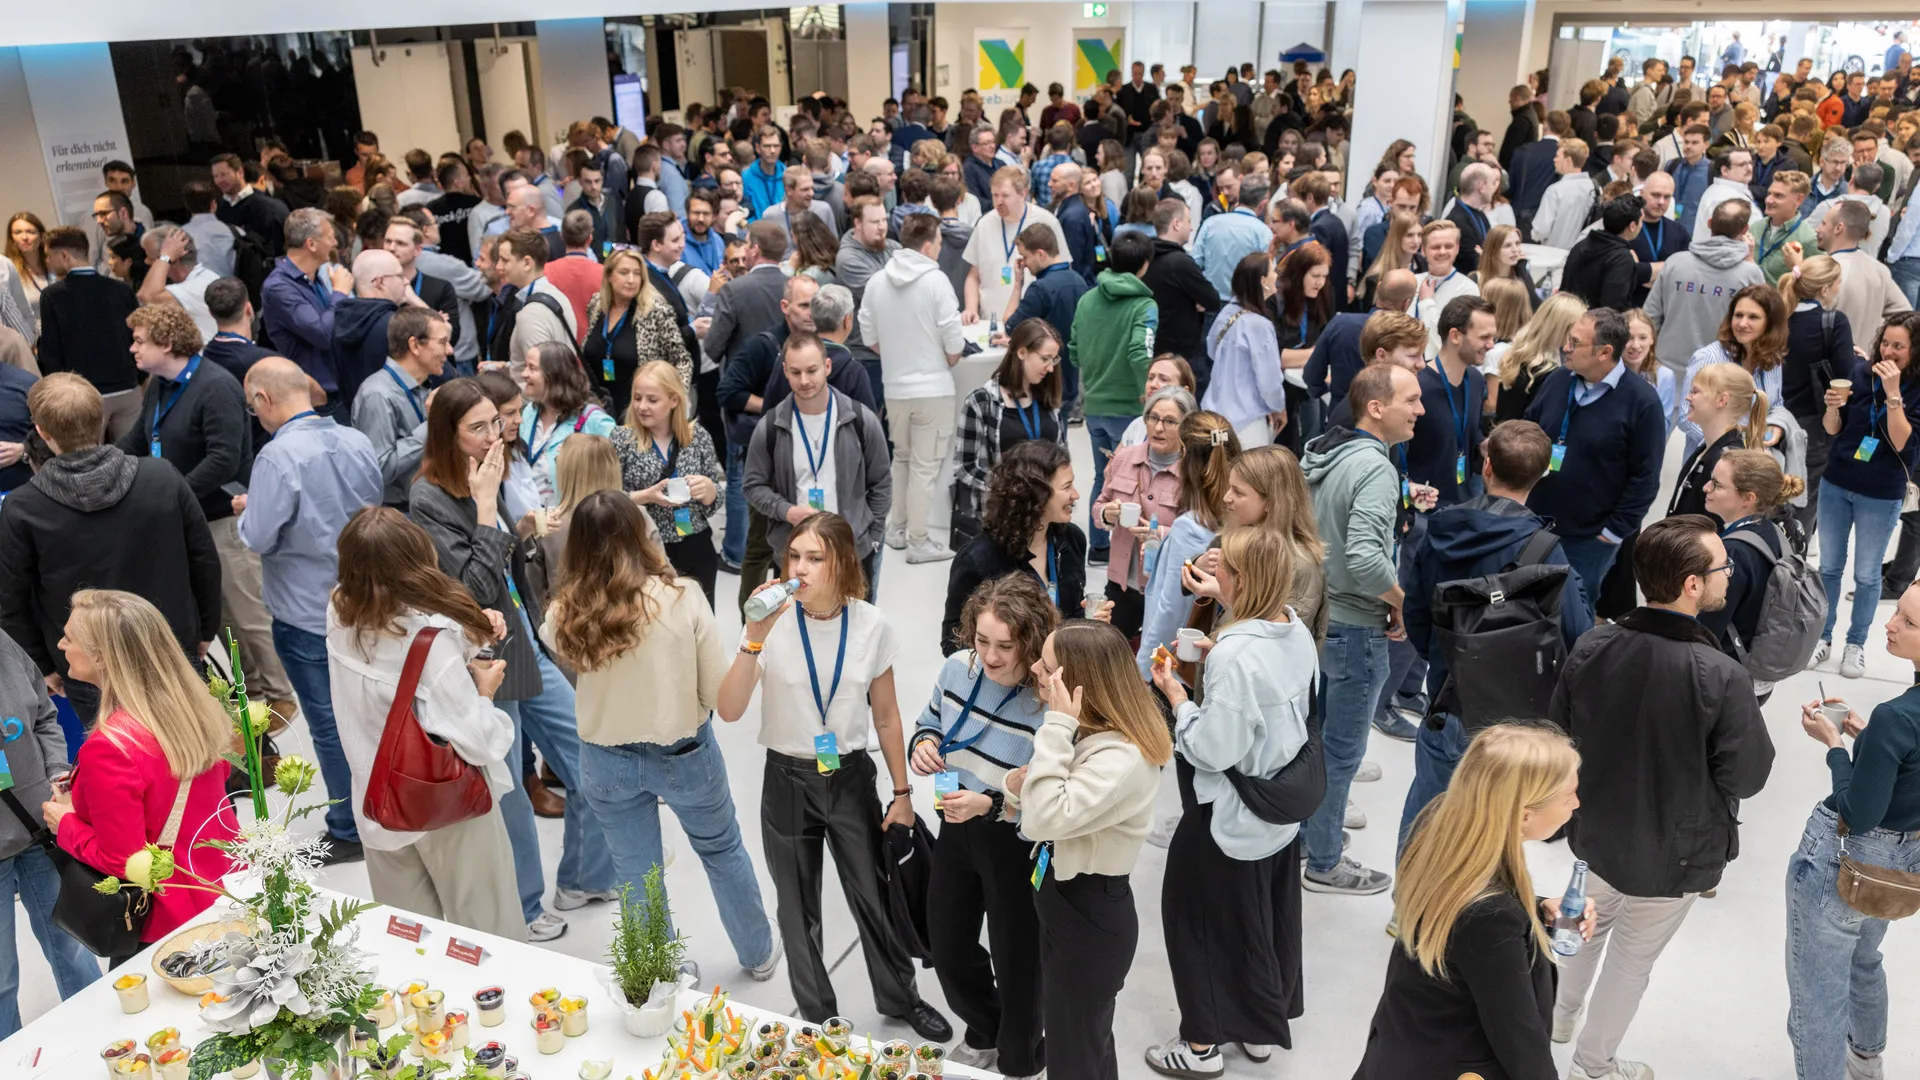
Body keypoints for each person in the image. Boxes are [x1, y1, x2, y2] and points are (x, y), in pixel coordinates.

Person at [1549, 514, 1775, 1080]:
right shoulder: (1723, 676)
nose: (1729, 574)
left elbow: (1556, 737)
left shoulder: (1593, 645)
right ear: (1691, 585)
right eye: (1721, 566)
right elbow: (1747, 777)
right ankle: (1593, 1065)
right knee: (1632, 958)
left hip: (1596, 828)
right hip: (1678, 849)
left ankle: (1557, 1017)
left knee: (1585, 927)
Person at [716, 513, 951, 1038]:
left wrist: (903, 794)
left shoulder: (871, 625)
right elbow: (728, 710)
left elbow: (887, 717)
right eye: (794, 556)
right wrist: (753, 638)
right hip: (786, 779)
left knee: (873, 893)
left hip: (848, 778)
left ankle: (900, 998)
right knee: (797, 911)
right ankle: (820, 1017)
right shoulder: (769, 623)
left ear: (842, 562)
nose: (799, 568)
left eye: (814, 558)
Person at [544, 491, 780, 982]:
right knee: (721, 850)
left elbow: (568, 658)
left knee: (637, 875)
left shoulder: (564, 611)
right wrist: (754, 641)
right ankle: (757, 954)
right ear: (639, 533)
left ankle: (658, 973)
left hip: (605, 760)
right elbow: (724, 701)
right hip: (684, 754)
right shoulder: (681, 598)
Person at [410, 378, 615, 942]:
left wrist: (517, 527)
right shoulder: (428, 497)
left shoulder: (490, 472)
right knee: (509, 785)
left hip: (523, 635)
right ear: (447, 435)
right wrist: (483, 507)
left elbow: (502, 568)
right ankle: (523, 907)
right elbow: (468, 588)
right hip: (483, 654)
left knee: (592, 752)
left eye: (496, 423)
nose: (493, 435)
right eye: (477, 427)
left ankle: (585, 876)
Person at [326, 508, 523, 940]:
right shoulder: (431, 647)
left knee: (410, 944)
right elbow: (483, 741)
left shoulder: (340, 612)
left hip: (378, 805)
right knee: (489, 936)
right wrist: (485, 690)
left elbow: (398, 664)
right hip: (447, 810)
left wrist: (464, 636)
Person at [1354, 724, 1588, 1080]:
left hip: (1405, 1042)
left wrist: (1537, 910)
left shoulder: (1442, 824)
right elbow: (1520, 1041)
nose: (1576, 803)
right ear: (1525, 815)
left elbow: (1463, 912)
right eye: (1568, 794)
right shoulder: (1491, 920)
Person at [0, 374, 220, 726]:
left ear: (41, 432)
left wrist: (42, 665)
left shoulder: (23, 507)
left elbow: (11, 599)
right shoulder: (161, 477)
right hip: (170, 645)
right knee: (191, 753)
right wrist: (206, 629)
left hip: (91, 666)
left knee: (123, 765)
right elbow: (204, 560)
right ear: (101, 418)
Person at [1007, 619, 1170, 1080]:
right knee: (1085, 1043)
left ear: (1079, 683)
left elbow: (1043, 818)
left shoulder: (1122, 759)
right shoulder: (1093, 732)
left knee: (1073, 1056)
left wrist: (1056, 727)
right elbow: (1043, 801)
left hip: (1089, 918)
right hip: (1067, 904)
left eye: (1048, 664)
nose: (1035, 666)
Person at [41, 590, 239, 965]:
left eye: (69, 636)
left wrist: (65, 823)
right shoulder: (194, 710)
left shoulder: (111, 746)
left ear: (101, 655)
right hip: (228, 886)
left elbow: (123, 862)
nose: (61, 644)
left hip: (168, 923)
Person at [237, 356, 382, 862]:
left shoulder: (277, 459)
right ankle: (382, 808)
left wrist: (248, 510)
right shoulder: (357, 440)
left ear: (264, 400)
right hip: (365, 604)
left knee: (328, 725)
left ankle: (348, 828)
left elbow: (258, 535)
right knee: (370, 717)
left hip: (306, 614)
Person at [912, 573, 1055, 1078]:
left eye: (1005, 646)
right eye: (981, 641)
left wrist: (991, 803)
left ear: (1032, 641)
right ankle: (986, 1029)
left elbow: (1050, 794)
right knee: (947, 945)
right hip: (956, 823)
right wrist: (923, 744)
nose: (990, 657)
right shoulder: (957, 670)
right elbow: (929, 720)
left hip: (1014, 838)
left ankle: (1021, 1057)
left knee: (1019, 959)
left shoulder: (1046, 701)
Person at [1787, 584, 1920, 1080]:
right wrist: (1869, 740)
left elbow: (1859, 812)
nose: (1889, 624)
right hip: (1902, 867)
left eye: (1907, 622)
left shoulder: (1898, 716)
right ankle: (1866, 1061)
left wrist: (1834, 746)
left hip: (1846, 865)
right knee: (1865, 960)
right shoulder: (1896, 722)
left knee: (1817, 995)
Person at [1299, 364, 1423, 895]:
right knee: (1342, 750)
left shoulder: (1330, 454)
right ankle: (1324, 861)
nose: (1420, 410)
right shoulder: (1376, 468)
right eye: (1411, 399)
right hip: (1354, 628)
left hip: (1315, 618)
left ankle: (1309, 836)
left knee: (1313, 740)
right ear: (1377, 407)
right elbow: (1367, 558)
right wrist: (1402, 604)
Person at [1523, 307, 1669, 607]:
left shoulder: (1642, 402)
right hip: (1535, 525)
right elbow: (1528, 431)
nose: (1566, 347)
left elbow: (1645, 477)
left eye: (1575, 342)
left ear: (1604, 352)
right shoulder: (1558, 380)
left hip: (1589, 540)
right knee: (1526, 611)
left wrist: (1613, 532)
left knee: (1573, 616)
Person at [742, 333, 893, 605]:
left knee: (856, 632)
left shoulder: (860, 420)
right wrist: (787, 511)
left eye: (812, 370)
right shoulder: (770, 426)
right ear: (785, 372)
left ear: (827, 367)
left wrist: (872, 537)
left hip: (851, 551)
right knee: (799, 633)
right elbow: (753, 486)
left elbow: (881, 482)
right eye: (796, 372)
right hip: (795, 555)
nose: (804, 381)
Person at [0, 628, 96, 1034]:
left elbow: (43, 713)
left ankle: (106, 1044)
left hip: (40, 827)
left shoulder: (4, 644)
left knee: (74, 949)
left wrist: (56, 770)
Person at [1813, 314, 1920, 678]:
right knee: (1828, 566)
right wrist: (1831, 407)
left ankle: (1855, 643)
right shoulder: (1860, 374)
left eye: (1898, 346)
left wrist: (1893, 394)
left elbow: (1902, 440)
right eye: (1885, 343)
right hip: (1837, 481)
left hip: (1881, 491)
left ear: (1914, 350)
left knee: (1867, 574)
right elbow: (1833, 430)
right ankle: (1821, 636)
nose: (1888, 351)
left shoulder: (1916, 388)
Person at [859, 213, 965, 564]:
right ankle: (919, 541)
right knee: (925, 466)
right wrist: (946, 356)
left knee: (901, 460)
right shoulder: (936, 281)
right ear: (927, 244)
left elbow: (869, 335)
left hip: (895, 388)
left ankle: (899, 529)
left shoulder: (877, 281)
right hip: (933, 388)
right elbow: (954, 340)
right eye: (938, 242)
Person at [943, 440, 1087, 653]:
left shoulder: (1072, 540)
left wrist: (1088, 625)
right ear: (1038, 495)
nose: (1076, 495)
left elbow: (1072, 613)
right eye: (1067, 487)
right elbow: (953, 643)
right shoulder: (978, 561)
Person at [1073, 232, 1160, 565]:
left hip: (1095, 405)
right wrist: (1147, 391)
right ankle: (1136, 551)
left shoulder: (1087, 299)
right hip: (1130, 410)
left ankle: (1098, 546)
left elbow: (1075, 350)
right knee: (1139, 481)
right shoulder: (1144, 305)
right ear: (1144, 265)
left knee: (1101, 477)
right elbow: (1141, 351)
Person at [1134, 411, 1242, 678]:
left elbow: (1169, 606)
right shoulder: (1238, 519)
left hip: (1177, 661)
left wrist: (1144, 670)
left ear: (1186, 459)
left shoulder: (1189, 527)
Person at [610, 360, 725, 604]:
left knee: (699, 626)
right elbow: (607, 500)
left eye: (652, 400)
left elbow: (714, 504)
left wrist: (710, 491)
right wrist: (645, 497)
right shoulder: (622, 440)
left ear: (674, 400)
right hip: (645, 547)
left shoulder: (698, 437)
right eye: (638, 398)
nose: (642, 406)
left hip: (695, 544)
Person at [952, 320, 1067, 550]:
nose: (1050, 367)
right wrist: (1009, 489)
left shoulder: (1048, 401)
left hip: (1044, 519)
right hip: (1000, 519)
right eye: (1045, 359)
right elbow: (964, 467)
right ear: (1022, 352)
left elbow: (1063, 457)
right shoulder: (982, 402)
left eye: (1054, 359)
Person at [1093, 387, 1194, 640]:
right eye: (1153, 418)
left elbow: (1202, 536)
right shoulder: (1124, 458)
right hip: (1121, 584)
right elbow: (1099, 504)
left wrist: (1161, 534)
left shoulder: (1195, 472)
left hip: (1165, 589)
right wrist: (1107, 514)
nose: (1159, 427)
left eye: (1170, 421)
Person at [1699, 448, 1807, 667]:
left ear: (1748, 498)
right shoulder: (1772, 531)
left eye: (1717, 484)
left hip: (1724, 668)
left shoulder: (1733, 552)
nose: (1706, 488)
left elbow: (1707, 630)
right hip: (1750, 663)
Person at [36, 226, 142, 439]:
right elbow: (137, 335)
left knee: (91, 462)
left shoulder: (53, 296)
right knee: (136, 457)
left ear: (64, 255)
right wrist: (139, 377)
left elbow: (52, 352)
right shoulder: (121, 289)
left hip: (85, 395)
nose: (47, 261)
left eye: (49, 255)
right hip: (127, 387)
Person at [1646, 201, 1767, 375]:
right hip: (1719, 375)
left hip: (1667, 369)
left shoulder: (1675, 263)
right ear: (1745, 229)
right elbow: (1761, 328)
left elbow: (1650, 316)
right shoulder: (1750, 274)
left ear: (1709, 223)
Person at [260, 208, 355, 411]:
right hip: (315, 398)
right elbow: (321, 333)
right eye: (330, 238)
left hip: (338, 386)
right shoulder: (279, 287)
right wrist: (339, 293)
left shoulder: (313, 277)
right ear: (311, 244)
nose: (335, 243)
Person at [353, 307, 448, 509]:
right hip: (399, 514)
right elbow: (379, 469)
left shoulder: (424, 385)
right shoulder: (377, 394)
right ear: (414, 345)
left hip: (429, 503)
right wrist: (431, 425)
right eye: (442, 342)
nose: (448, 351)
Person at [1408, 296, 1496, 506]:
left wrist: (1483, 445)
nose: (1491, 345)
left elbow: (1468, 432)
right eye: (1484, 337)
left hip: (1463, 505)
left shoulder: (1475, 380)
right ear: (1455, 335)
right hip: (1423, 510)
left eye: (1493, 337)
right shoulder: (1417, 386)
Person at [963, 167, 1069, 326]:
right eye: (994, 195)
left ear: (1022, 194)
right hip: (990, 322)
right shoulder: (985, 223)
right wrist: (970, 308)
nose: (999, 202)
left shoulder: (1046, 221)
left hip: (1034, 325)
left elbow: (1063, 272)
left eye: (1005, 195)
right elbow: (973, 276)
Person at [1203, 253, 1287, 449]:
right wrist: (1278, 407)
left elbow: (1211, 350)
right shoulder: (1260, 325)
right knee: (1249, 476)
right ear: (1263, 280)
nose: (1277, 275)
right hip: (1247, 423)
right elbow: (1270, 380)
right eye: (1273, 270)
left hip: (1213, 415)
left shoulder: (1226, 313)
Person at [520, 341, 617, 506]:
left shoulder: (593, 420)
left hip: (572, 522)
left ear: (554, 375)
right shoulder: (529, 412)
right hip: (530, 521)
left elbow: (616, 471)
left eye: (532, 368)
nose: (524, 374)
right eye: (525, 366)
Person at [1670, 362, 1770, 522]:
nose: (1688, 397)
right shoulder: (1707, 449)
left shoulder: (1727, 462)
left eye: (1695, 392)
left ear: (1722, 400)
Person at [1562, 195, 1645, 313]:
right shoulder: (1622, 259)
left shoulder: (1581, 245)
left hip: (1567, 317)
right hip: (1595, 327)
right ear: (1632, 226)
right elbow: (1613, 308)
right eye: (1641, 221)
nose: (1642, 225)